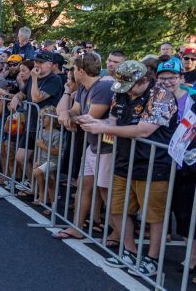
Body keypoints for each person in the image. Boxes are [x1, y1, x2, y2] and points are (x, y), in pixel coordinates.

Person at [79, 60, 178, 276]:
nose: (127, 91)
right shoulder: (121, 92)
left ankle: (153, 259)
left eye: (131, 86)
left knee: (154, 216)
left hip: (153, 164)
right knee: (117, 208)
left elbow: (143, 130)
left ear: (144, 80)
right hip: (124, 160)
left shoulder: (161, 95)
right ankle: (129, 251)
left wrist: (103, 127)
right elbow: (114, 121)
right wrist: (94, 121)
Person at [54, 52, 116, 242]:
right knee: (83, 185)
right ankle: (76, 227)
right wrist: (67, 113)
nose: (71, 72)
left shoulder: (103, 87)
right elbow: (75, 110)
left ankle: (121, 234)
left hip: (108, 146)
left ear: (81, 70)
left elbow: (92, 116)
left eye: (73, 69)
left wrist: (69, 117)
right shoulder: (82, 88)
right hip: (93, 145)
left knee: (106, 192)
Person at [9, 51, 63, 184]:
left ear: (50, 64)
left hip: (47, 127)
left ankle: (43, 192)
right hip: (31, 124)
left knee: (42, 163)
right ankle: (32, 184)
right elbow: (23, 94)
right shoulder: (35, 78)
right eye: (36, 61)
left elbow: (36, 98)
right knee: (21, 157)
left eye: (40, 62)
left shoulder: (54, 80)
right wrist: (16, 98)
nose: (37, 65)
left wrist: (33, 79)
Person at [31, 106, 61, 209]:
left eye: (44, 118)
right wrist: (37, 160)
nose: (41, 120)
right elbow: (39, 149)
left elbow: (57, 152)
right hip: (43, 160)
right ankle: (44, 198)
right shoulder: (41, 131)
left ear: (52, 119)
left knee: (40, 175)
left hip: (52, 161)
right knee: (49, 181)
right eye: (41, 117)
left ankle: (50, 203)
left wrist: (43, 145)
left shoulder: (57, 134)